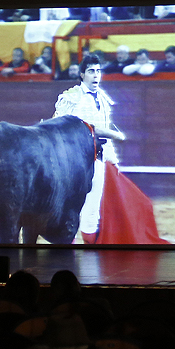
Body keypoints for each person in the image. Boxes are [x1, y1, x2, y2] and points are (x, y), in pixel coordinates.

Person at [52, 55, 126, 243]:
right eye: (91, 71)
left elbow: (105, 135)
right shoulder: (71, 97)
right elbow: (55, 128)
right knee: (70, 206)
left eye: (98, 71)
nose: (96, 75)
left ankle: (89, 249)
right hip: (73, 163)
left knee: (93, 207)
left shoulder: (103, 98)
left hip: (97, 159)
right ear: (82, 74)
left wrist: (113, 160)